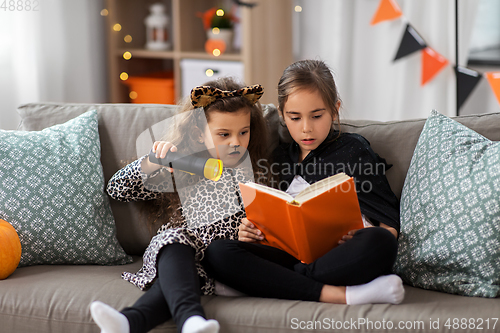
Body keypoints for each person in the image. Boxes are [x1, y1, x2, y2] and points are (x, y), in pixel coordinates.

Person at [202, 59, 405, 305]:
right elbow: (268, 219)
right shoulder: (277, 158)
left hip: (339, 258)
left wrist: (366, 233)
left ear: (335, 109)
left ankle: (273, 282)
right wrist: (249, 231)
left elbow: (389, 226)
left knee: (380, 242)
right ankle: (334, 293)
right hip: (287, 256)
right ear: (281, 114)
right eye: (295, 118)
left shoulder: (353, 149)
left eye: (317, 116)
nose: (306, 129)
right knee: (218, 253)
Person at [89, 77, 271, 333]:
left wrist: (252, 231)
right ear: (199, 134)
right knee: (175, 243)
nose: (236, 142)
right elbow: (116, 190)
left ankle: (132, 322)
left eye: (244, 132)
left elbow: (266, 223)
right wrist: (153, 163)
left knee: (177, 282)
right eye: (224, 134)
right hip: (180, 256)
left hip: (221, 264)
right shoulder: (181, 165)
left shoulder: (255, 171)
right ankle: (188, 323)